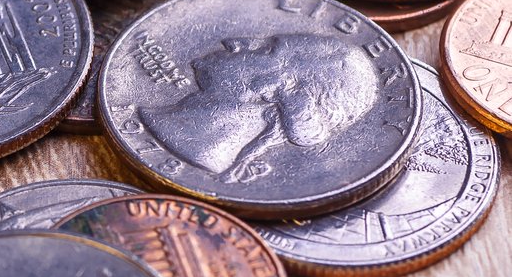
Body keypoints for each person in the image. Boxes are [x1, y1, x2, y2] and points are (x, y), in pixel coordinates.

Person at [139, 33, 380, 183]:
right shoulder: (158, 120)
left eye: (265, 49)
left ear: (278, 89)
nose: (234, 41)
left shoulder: (198, 151)